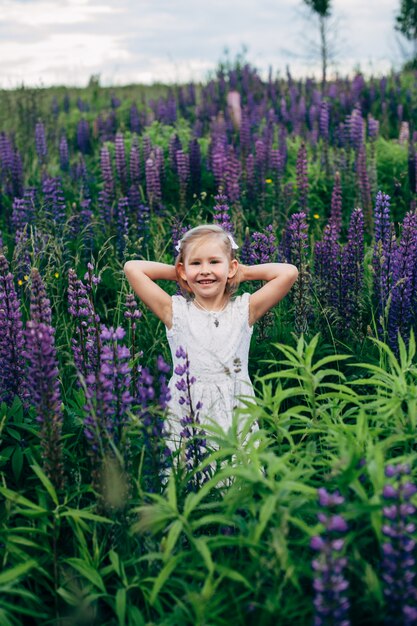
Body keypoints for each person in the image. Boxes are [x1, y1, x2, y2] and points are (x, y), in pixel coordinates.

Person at [124, 224, 298, 441]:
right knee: (188, 468)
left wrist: (242, 273)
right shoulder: (174, 311)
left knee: (237, 469)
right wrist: (182, 273)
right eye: (196, 263)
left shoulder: (245, 309)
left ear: (232, 267)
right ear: (182, 271)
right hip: (187, 408)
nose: (205, 270)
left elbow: (289, 272)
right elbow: (132, 268)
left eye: (214, 262)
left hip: (235, 410)